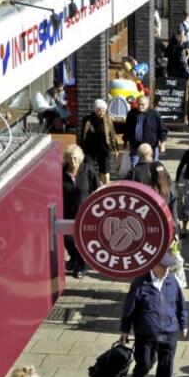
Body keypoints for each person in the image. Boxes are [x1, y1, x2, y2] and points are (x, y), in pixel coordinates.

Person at [120, 254, 188, 377]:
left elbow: (181, 304)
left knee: (166, 366)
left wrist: (183, 323)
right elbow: (130, 309)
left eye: (169, 267)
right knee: (145, 362)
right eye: (164, 267)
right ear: (153, 265)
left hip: (169, 332)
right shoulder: (139, 284)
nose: (167, 270)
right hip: (147, 333)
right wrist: (125, 329)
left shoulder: (172, 281)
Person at [62, 144, 100, 278]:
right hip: (67, 213)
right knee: (68, 240)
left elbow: (97, 190)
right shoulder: (61, 172)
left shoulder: (88, 171)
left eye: (75, 159)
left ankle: (80, 266)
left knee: (82, 242)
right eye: (70, 159)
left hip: (84, 214)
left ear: (80, 158)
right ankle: (75, 258)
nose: (73, 162)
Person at [78, 99, 120, 184]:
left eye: (103, 110)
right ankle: (93, 185)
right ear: (94, 110)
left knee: (105, 169)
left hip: (104, 147)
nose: (101, 112)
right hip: (89, 148)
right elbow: (82, 134)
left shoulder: (108, 120)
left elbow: (112, 134)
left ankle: (105, 187)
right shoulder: (87, 120)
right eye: (98, 110)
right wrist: (80, 147)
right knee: (88, 167)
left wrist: (115, 149)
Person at [123, 95, 167, 164]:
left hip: (151, 147)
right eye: (139, 104)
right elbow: (127, 129)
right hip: (135, 147)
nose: (140, 107)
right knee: (135, 167)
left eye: (142, 105)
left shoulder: (154, 114)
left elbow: (162, 130)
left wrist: (163, 143)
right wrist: (125, 141)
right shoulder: (131, 114)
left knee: (152, 168)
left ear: (147, 104)